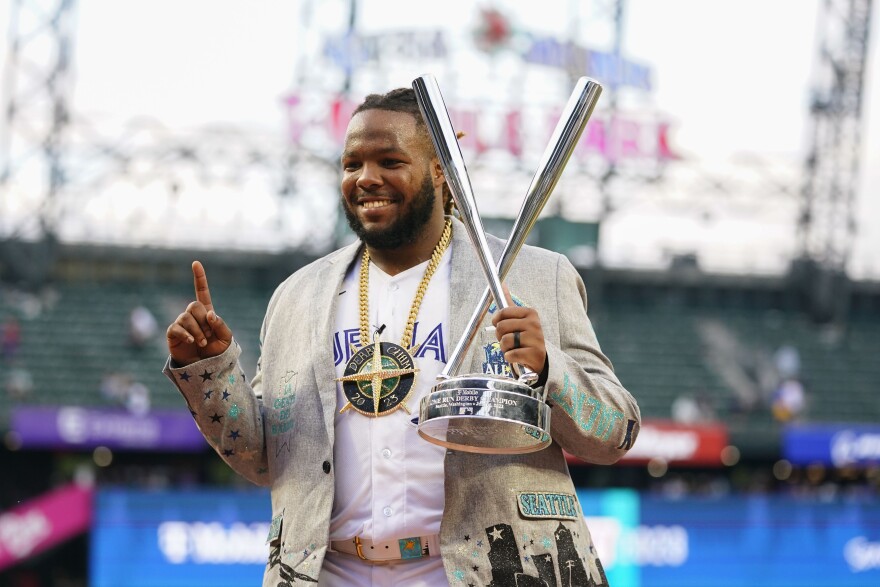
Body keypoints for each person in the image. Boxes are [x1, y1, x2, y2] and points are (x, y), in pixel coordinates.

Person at [163, 88, 640, 586]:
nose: (366, 178)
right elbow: (265, 459)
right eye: (352, 164)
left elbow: (615, 432)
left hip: (486, 572)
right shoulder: (296, 297)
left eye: (389, 160)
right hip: (327, 573)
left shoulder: (535, 275)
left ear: (441, 169)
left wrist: (548, 370)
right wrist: (211, 372)